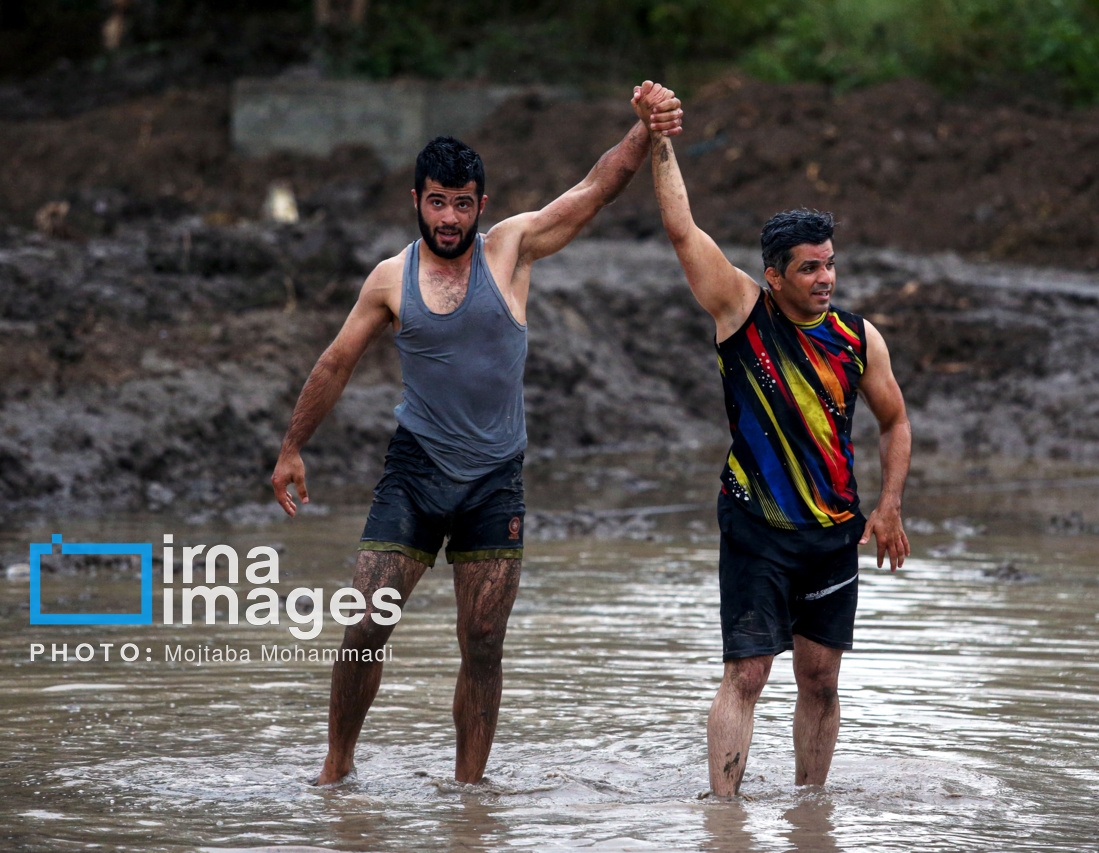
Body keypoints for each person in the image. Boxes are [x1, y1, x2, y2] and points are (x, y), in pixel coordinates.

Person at [271, 82, 685, 786]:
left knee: (484, 643)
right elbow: (337, 360)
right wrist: (291, 447)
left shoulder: (511, 251)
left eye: (463, 203)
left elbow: (595, 188)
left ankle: (470, 793)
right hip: (415, 471)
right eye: (437, 201)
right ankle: (335, 771)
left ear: (481, 206)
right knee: (365, 628)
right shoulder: (387, 280)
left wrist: (645, 130)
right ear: (417, 200)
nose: (450, 217)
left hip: (496, 479)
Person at [631, 85, 912, 798]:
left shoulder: (858, 338)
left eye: (831, 264)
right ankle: (723, 816)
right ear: (774, 274)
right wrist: (657, 137)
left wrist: (889, 506)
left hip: (832, 532)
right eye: (810, 268)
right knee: (748, 673)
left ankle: (809, 812)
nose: (826, 280)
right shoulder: (740, 313)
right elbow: (682, 231)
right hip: (756, 523)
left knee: (820, 676)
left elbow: (895, 422)